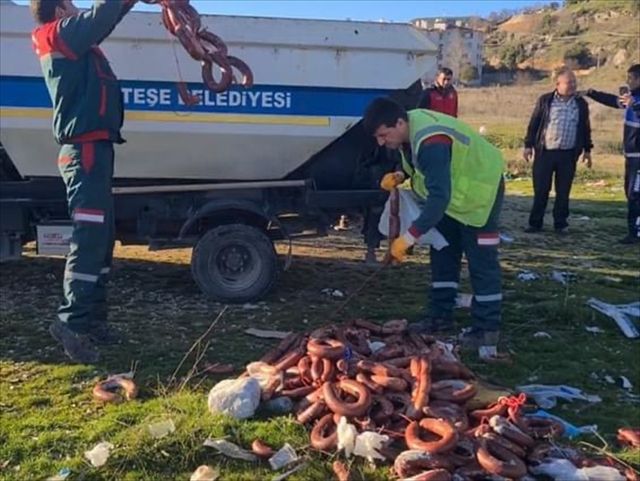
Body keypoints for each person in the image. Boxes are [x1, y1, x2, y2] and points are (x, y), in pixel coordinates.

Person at [30, 0, 136, 363]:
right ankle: (71, 322)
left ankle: (93, 320)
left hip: (96, 149)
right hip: (84, 150)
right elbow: (101, 16)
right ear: (59, 11)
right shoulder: (56, 35)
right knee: (89, 234)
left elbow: (105, 18)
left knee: (102, 237)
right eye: (72, 3)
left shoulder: (73, 42)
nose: (78, 7)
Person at [363, 98, 505, 348]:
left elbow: (438, 198)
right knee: (443, 252)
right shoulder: (410, 126)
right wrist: (401, 174)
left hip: (481, 194)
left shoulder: (432, 141)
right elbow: (420, 164)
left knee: (482, 261)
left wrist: (408, 238)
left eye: (384, 135)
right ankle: (440, 317)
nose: (381, 142)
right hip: (453, 199)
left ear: (398, 123)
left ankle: (487, 328)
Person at [523, 66, 593, 234]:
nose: (573, 85)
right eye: (569, 82)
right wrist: (528, 145)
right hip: (545, 152)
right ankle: (535, 223)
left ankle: (560, 224)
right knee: (541, 190)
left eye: (574, 82)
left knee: (563, 192)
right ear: (558, 84)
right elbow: (534, 123)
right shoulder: (546, 101)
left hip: (568, 154)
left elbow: (585, 128)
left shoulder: (580, 104)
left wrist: (587, 150)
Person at [585, 64, 640, 245]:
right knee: (630, 193)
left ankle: (635, 233)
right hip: (631, 156)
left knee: (635, 195)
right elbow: (613, 100)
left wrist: (637, 106)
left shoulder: (636, 101)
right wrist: (591, 93)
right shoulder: (632, 98)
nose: (628, 82)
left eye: (631, 78)